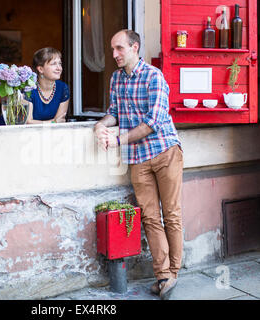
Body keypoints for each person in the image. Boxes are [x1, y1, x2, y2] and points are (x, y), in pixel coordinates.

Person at [94, 29, 184, 300]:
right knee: (149, 216)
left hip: (165, 151)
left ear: (134, 47)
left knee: (171, 214)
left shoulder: (153, 76)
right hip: (137, 158)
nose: (114, 55)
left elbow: (152, 122)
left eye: (119, 48)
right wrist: (100, 125)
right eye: (112, 49)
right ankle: (164, 276)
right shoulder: (116, 78)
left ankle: (173, 273)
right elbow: (114, 113)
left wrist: (120, 139)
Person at [26, 47, 69, 124]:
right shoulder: (28, 88)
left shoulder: (62, 88)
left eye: (60, 63)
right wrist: (52, 122)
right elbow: (27, 122)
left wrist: (53, 122)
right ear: (40, 69)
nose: (59, 68)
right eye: (53, 64)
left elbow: (59, 121)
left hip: (47, 134)